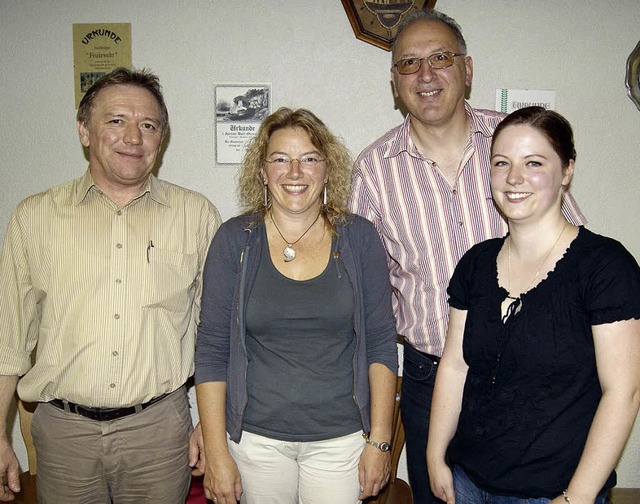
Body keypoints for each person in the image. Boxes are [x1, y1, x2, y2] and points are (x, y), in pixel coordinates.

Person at [347, 9, 587, 503]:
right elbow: (364, 294)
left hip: (532, 375)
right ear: (395, 83)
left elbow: (577, 256)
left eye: (440, 58)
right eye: (409, 64)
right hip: (430, 376)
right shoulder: (373, 171)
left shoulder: (518, 144)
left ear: (468, 69)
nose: (426, 74)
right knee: (442, 495)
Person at [0, 67, 221, 503]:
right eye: (116, 121)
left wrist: (210, 428)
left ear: (163, 137)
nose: (133, 138)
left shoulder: (197, 216)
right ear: (84, 130)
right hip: (64, 435)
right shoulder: (34, 217)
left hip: (159, 432)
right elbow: (7, 342)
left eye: (148, 125)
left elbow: (218, 339)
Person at [427, 106, 640, 504]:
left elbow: (623, 392)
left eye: (534, 163)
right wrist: (435, 455)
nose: (514, 178)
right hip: (468, 482)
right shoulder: (475, 263)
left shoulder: (605, 267)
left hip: (554, 493)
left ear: (567, 170)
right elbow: (455, 365)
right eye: (502, 163)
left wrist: (577, 496)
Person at [194, 107, 398, 504]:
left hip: (341, 441)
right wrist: (217, 452)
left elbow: (381, 344)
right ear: (262, 170)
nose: (295, 172)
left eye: (309, 159)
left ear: (327, 169)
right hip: (254, 442)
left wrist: (380, 442)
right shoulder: (234, 240)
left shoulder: (359, 238)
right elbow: (212, 351)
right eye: (280, 159)